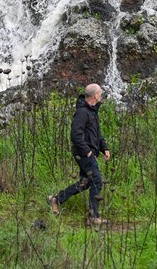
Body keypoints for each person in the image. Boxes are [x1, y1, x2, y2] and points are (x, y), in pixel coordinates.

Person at [48, 83, 111, 226]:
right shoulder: (82, 112)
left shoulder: (92, 111)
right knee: (96, 180)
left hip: (87, 153)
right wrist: (87, 151)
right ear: (95, 95)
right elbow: (75, 135)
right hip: (83, 154)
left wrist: (104, 148)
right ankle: (94, 217)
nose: (101, 95)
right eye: (100, 93)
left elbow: (96, 134)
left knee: (86, 182)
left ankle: (56, 199)